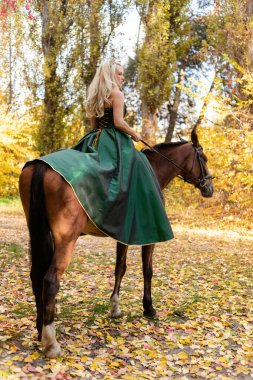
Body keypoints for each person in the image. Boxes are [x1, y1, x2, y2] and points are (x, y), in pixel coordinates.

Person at [27, 60, 173, 245]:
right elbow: (119, 122)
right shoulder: (117, 95)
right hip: (115, 140)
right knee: (139, 165)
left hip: (96, 138)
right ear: (110, 75)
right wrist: (134, 134)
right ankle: (132, 215)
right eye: (119, 74)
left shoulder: (94, 96)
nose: (122, 77)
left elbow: (94, 126)